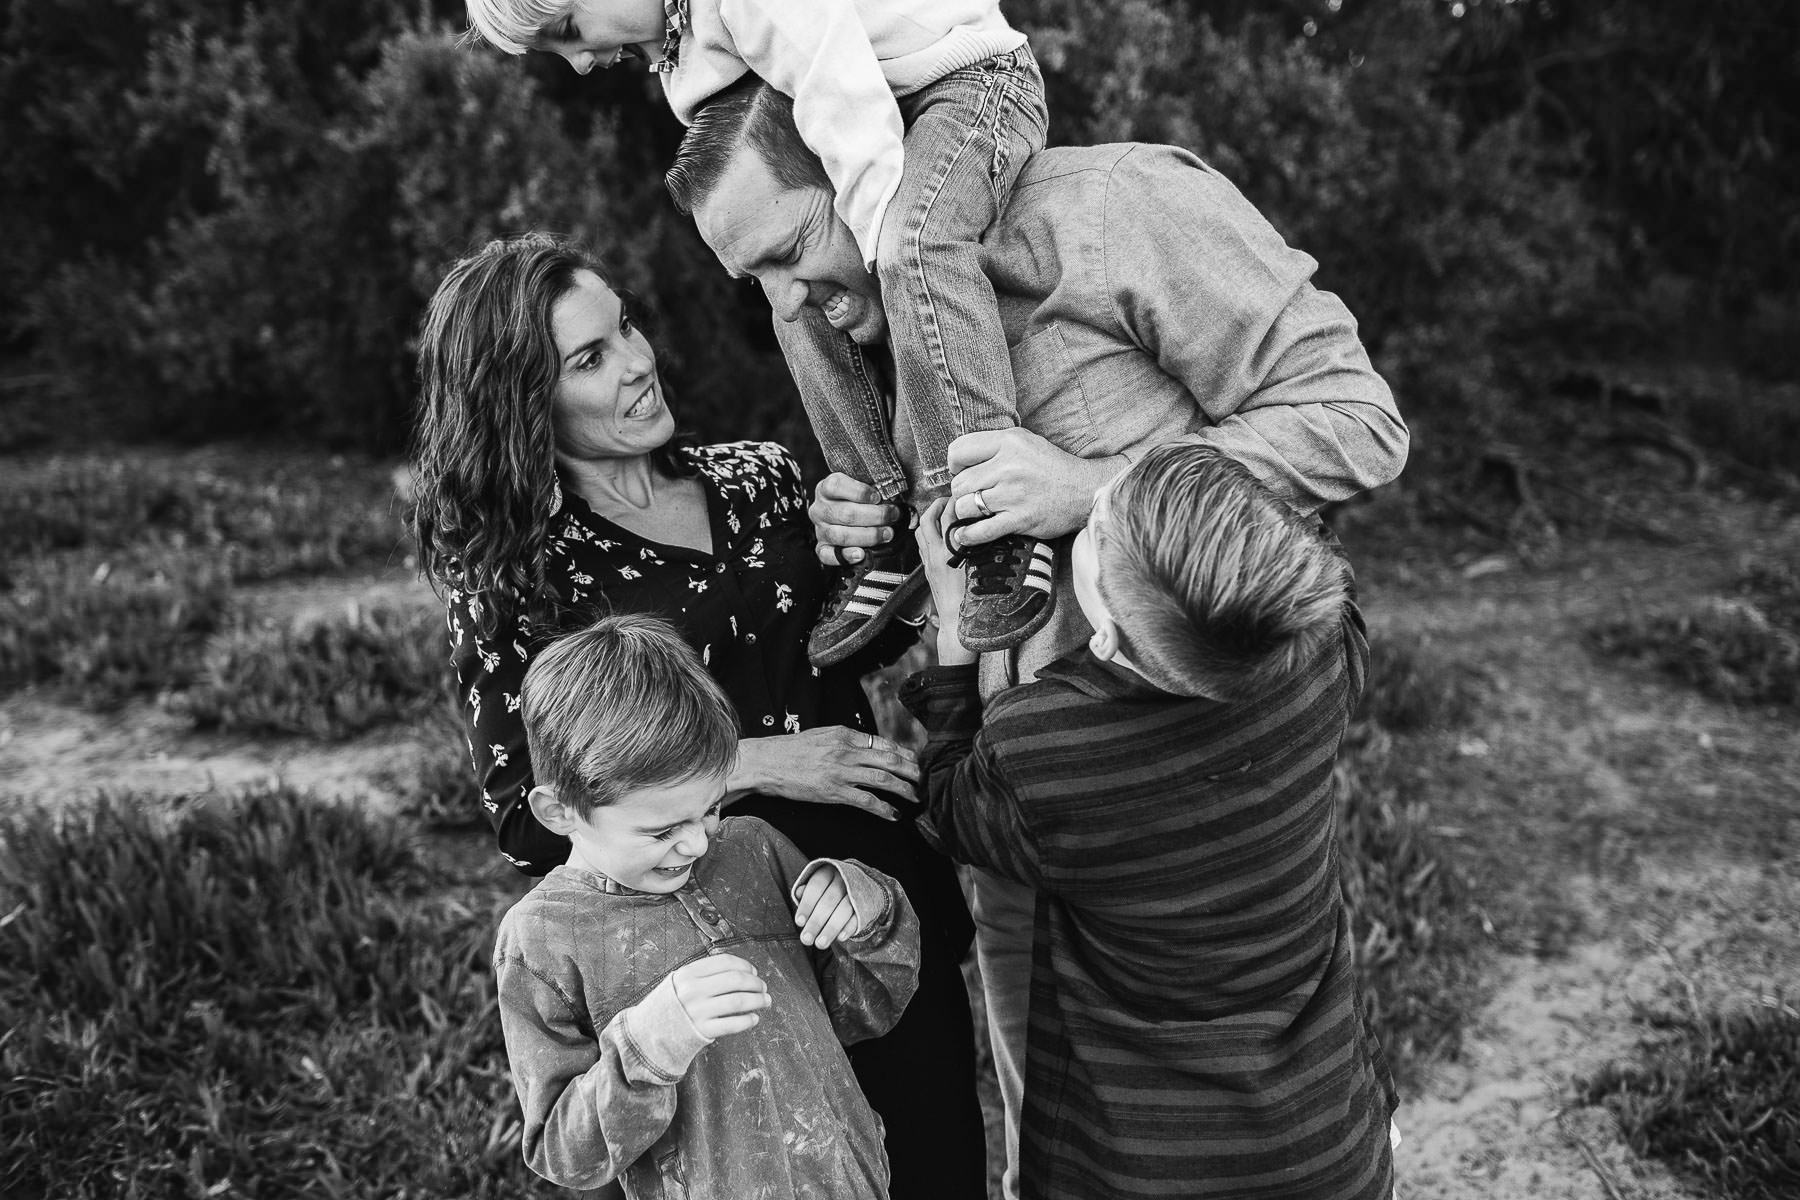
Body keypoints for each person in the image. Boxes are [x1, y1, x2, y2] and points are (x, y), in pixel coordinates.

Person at [666, 80, 1410, 1200]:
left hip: (1199, 790)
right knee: (1069, 1126)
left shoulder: (1118, 209)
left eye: (792, 250)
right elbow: (965, 568)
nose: (789, 305)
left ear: (864, 169)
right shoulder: (864, 325)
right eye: (755, 283)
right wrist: (870, 544)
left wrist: (1095, 488)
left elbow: (1361, 425)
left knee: (1244, 1085)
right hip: (1022, 810)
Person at [409, 233, 989, 1198]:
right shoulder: (521, 578)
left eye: (625, 328)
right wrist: (762, 764)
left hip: (865, 888)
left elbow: (851, 642)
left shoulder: (755, 475)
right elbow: (525, 811)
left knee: (934, 1161)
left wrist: (862, 557)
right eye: (589, 359)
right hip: (706, 923)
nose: (637, 363)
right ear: (523, 404)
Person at [463, 0, 1058, 661]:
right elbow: (740, 156)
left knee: (912, 246)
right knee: (792, 302)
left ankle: (989, 507)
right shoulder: (678, 54)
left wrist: (877, 266)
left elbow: (842, 98)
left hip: (966, 88)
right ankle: (880, 523)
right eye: (556, 51)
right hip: (875, 121)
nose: (578, 64)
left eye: (571, 30)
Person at [900, 442, 1397, 1199]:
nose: (1088, 502)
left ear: (1099, 635)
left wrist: (954, 642)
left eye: (1094, 527)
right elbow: (1331, 588)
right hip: (1323, 1137)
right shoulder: (1320, 655)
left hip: (1139, 1162)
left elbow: (952, 807)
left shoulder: (1046, 747)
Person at [494, 611, 921, 1196]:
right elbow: (566, 1155)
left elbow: (864, 1010)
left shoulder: (754, 850)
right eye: (662, 830)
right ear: (559, 812)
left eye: (711, 808)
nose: (697, 842)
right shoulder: (541, 937)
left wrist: (864, 910)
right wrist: (649, 1045)